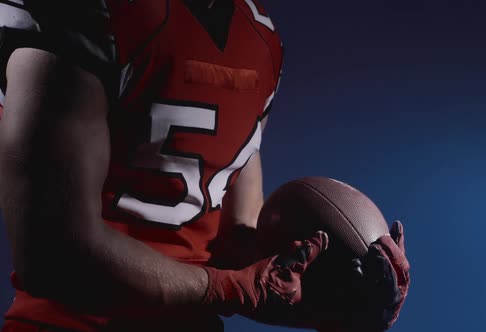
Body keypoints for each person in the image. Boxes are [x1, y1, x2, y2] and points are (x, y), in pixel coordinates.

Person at [0, 0, 410, 331]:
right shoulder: (85, 10)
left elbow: (238, 242)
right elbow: (50, 253)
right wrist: (231, 289)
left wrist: (332, 297)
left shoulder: (260, 35)